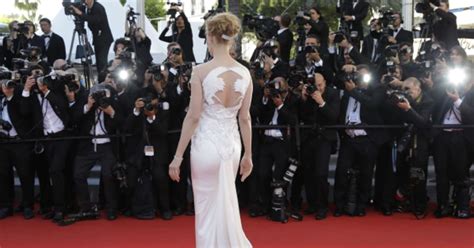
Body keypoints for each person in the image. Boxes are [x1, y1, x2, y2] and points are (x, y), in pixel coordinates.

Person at [168, 12, 253, 247]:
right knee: (226, 201)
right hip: (232, 146)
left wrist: (177, 156)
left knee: (206, 208)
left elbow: (194, 116)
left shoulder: (201, 71)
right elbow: (244, 118)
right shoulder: (245, 73)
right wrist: (248, 154)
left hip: (206, 146)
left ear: (211, 37)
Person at [72, 0, 114, 76]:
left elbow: (94, 20)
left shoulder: (98, 8)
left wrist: (81, 13)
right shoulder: (88, 8)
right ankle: (101, 78)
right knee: (98, 62)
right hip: (97, 38)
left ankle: (104, 79)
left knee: (102, 62)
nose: (84, 2)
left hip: (103, 38)